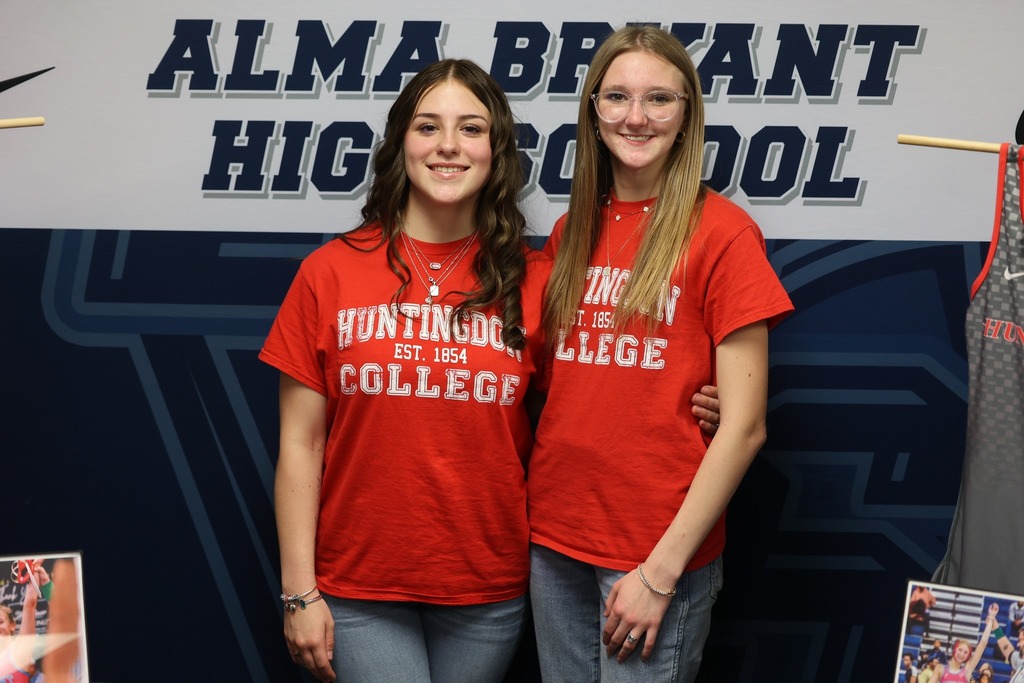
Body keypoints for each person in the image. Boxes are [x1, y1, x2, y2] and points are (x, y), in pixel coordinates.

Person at [260, 54, 727, 683]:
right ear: (401, 142)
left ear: (496, 150)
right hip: (356, 582)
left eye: (471, 129)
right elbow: (300, 441)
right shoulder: (328, 273)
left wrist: (712, 404)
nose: (448, 146)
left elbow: (599, 383)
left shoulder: (539, 279)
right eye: (428, 127)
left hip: (488, 585)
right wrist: (299, 590)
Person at [527, 25, 793, 683]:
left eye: (659, 99)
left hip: (653, 550)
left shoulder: (724, 233)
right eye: (616, 96)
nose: (636, 117)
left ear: (686, 115)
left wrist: (660, 571)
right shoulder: (571, 229)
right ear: (592, 112)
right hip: (555, 537)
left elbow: (746, 424)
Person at [935, 603, 998, 682]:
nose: (961, 654)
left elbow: (983, 644)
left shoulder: (967, 670)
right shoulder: (940, 669)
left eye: (965, 652)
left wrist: (991, 619)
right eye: (960, 650)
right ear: (954, 649)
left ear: (968, 655)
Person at [990, 605, 1024, 683]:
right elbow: (1008, 651)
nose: (1019, 645)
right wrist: (995, 628)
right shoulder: (1020, 660)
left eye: (1021, 640)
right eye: (1019, 641)